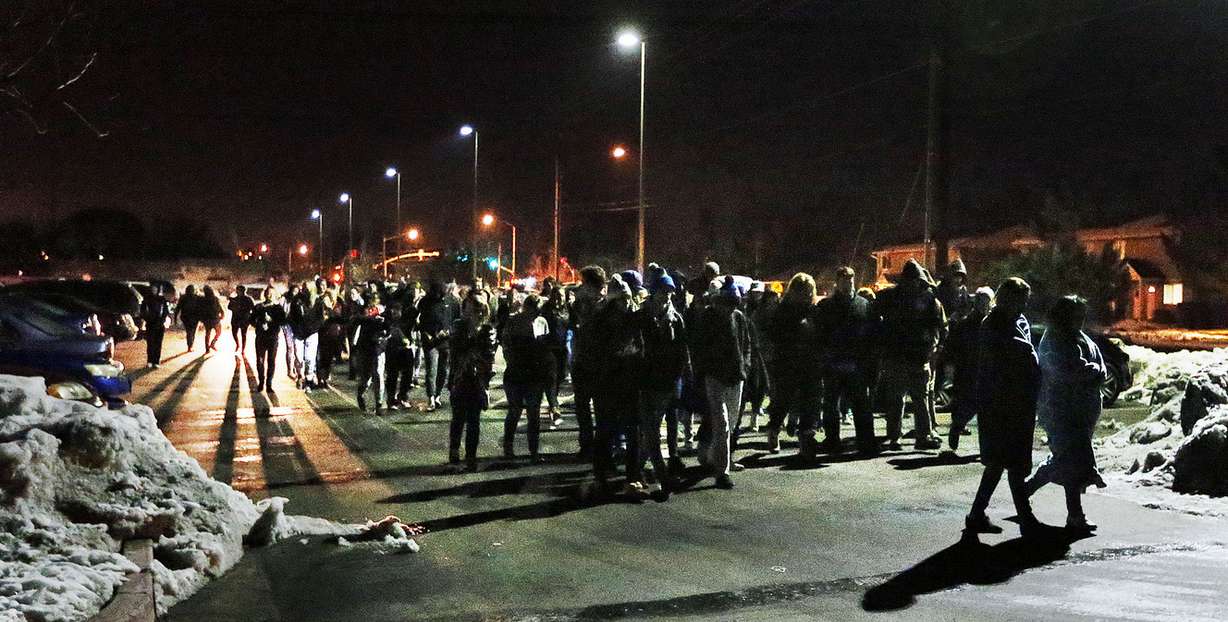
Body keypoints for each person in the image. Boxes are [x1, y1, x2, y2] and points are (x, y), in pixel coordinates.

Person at [966, 277, 1043, 537]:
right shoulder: (994, 325)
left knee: (1005, 463)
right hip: (1002, 405)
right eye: (1020, 300)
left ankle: (979, 514)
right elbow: (1007, 358)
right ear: (1007, 298)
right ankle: (1025, 517)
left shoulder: (1013, 322)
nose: (1023, 306)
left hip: (1014, 404)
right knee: (1008, 462)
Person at [1025, 295, 1108, 532]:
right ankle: (1075, 515)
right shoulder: (1055, 340)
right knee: (1073, 461)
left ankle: (1026, 489)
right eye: (1076, 315)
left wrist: (1096, 371)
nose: (1081, 320)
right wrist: (1094, 372)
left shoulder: (1078, 337)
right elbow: (1067, 370)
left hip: (1082, 410)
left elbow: (1097, 365)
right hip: (1061, 410)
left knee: (1065, 459)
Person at [874, 258, 945, 451]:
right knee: (901, 400)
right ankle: (899, 437)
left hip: (915, 356)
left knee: (916, 399)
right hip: (900, 356)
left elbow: (938, 326)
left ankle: (918, 436)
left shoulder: (927, 300)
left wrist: (934, 346)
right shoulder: (893, 297)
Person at [691, 276, 752, 489]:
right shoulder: (707, 318)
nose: (729, 307)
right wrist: (704, 371)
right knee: (722, 424)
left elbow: (746, 345)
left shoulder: (740, 318)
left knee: (731, 423)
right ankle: (722, 472)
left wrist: (745, 366)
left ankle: (711, 455)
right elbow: (699, 347)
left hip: (736, 376)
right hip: (715, 376)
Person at [812, 267, 880, 456]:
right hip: (833, 363)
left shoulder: (863, 305)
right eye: (844, 280)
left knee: (861, 405)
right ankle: (832, 440)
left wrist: (869, 361)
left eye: (850, 280)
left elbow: (872, 334)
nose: (848, 283)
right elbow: (819, 335)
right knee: (831, 406)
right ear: (838, 282)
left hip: (857, 364)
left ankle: (865, 441)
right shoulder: (826, 306)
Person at [590, 274, 646, 496]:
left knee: (633, 432)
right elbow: (594, 353)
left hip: (630, 383)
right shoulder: (601, 323)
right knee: (605, 431)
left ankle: (632, 477)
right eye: (621, 300)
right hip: (608, 383)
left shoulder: (633, 321)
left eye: (626, 300)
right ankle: (600, 476)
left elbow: (641, 346)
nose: (624, 304)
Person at [637, 272, 688, 497]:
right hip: (645, 380)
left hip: (666, 382)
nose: (667, 296)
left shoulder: (675, 318)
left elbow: (682, 352)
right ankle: (662, 475)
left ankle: (637, 469)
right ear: (654, 292)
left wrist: (680, 377)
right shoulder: (640, 317)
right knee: (651, 430)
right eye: (663, 292)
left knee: (651, 429)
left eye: (670, 293)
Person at [763, 273, 820, 454]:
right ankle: (774, 430)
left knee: (809, 401)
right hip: (787, 362)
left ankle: (805, 437)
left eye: (810, 291)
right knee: (783, 400)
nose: (807, 294)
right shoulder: (783, 310)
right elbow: (774, 334)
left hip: (809, 362)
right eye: (804, 291)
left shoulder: (813, 310)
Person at [447, 289, 498, 471]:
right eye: (473, 304)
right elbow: (455, 349)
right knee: (458, 417)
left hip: (478, 380)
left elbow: (489, 355)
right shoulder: (459, 326)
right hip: (460, 377)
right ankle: (454, 450)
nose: (477, 309)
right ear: (466, 306)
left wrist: (485, 381)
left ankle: (471, 456)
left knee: (474, 420)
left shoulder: (488, 329)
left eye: (480, 305)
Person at [501, 294, 553, 461]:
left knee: (534, 413)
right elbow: (506, 346)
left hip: (534, 373)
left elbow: (545, 348)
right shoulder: (514, 322)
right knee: (515, 411)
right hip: (517, 372)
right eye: (535, 309)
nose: (537, 313)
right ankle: (508, 448)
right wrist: (513, 362)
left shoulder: (542, 322)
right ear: (528, 307)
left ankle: (534, 451)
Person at [943, 287, 995, 453]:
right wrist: (950, 366)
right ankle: (957, 427)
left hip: (986, 372)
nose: (984, 305)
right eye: (981, 301)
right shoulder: (966, 324)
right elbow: (952, 347)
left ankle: (985, 448)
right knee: (968, 405)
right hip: (969, 372)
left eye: (986, 301)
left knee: (986, 412)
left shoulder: (993, 324)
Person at [568, 266, 607, 460]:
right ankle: (587, 445)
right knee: (583, 407)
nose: (580, 287)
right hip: (582, 361)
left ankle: (599, 448)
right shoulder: (579, 305)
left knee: (600, 409)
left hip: (598, 363)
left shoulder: (605, 307)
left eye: (583, 283)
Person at [418, 281, 454, 411]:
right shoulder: (425, 302)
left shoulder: (452, 302)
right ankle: (431, 397)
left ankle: (438, 394)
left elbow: (455, 320)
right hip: (431, 341)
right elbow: (420, 320)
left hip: (445, 341)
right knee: (431, 370)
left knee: (443, 370)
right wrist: (426, 333)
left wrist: (449, 331)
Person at [353, 296, 390, 412]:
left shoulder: (383, 313)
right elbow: (357, 319)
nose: (372, 306)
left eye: (374, 303)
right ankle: (361, 394)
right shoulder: (363, 313)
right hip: (365, 347)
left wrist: (384, 333)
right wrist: (371, 318)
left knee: (378, 375)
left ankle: (379, 403)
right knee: (366, 378)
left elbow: (389, 326)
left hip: (378, 348)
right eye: (370, 304)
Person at [542, 285, 570, 425]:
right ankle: (554, 407)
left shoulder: (567, 309)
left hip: (563, 349)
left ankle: (553, 401)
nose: (559, 298)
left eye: (561, 295)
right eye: (557, 295)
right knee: (551, 378)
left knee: (561, 376)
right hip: (549, 349)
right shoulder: (546, 310)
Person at [250, 287, 286, 392]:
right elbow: (251, 320)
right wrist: (259, 325)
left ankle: (269, 384)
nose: (269, 295)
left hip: (273, 338)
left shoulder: (277, 308)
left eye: (271, 293)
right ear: (264, 294)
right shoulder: (259, 307)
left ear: (274, 295)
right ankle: (261, 381)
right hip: (261, 337)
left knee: (271, 361)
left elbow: (283, 321)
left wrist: (272, 320)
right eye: (267, 293)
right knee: (260, 361)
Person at [288, 287, 324, 390]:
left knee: (309, 358)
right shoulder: (297, 301)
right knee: (299, 357)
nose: (306, 291)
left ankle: (309, 380)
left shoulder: (318, 302)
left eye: (308, 289)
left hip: (311, 333)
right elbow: (291, 317)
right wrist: (295, 328)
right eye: (305, 289)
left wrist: (313, 328)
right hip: (299, 333)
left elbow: (321, 319)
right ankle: (300, 375)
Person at [383, 303, 415, 409]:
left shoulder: (407, 321)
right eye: (393, 311)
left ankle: (403, 396)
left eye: (396, 311)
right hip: (393, 350)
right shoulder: (387, 320)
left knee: (408, 375)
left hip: (406, 350)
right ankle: (391, 399)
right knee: (392, 376)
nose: (394, 313)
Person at [316, 292, 346, 389]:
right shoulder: (319, 310)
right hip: (322, 337)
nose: (326, 302)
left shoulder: (334, 310)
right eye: (324, 300)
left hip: (333, 337)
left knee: (328, 360)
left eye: (328, 300)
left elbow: (339, 319)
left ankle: (325, 379)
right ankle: (320, 378)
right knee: (321, 359)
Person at [139, 283, 172, 367]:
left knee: (158, 343)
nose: (154, 291)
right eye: (152, 289)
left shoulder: (161, 300)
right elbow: (143, 311)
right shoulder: (147, 299)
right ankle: (150, 360)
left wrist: (162, 320)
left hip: (160, 324)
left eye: (155, 289)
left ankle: (156, 361)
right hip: (150, 324)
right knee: (150, 343)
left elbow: (165, 311)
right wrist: (147, 318)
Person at [280, 283, 301, 381]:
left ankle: (298, 370)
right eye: (294, 291)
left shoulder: (300, 301)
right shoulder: (285, 300)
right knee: (290, 348)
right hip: (287, 326)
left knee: (297, 349)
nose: (295, 293)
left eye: (297, 292)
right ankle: (290, 370)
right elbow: (281, 311)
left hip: (297, 326)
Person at [228, 285, 255, 355]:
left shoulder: (248, 299)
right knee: (234, 333)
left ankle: (243, 349)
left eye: (238, 290)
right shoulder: (234, 299)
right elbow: (229, 307)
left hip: (244, 319)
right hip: (235, 319)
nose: (237, 292)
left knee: (243, 335)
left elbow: (253, 309)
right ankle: (238, 344)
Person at [176, 284, 202, 351]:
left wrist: (176, 317)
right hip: (195, 317)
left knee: (189, 331)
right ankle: (191, 345)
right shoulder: (197, 297)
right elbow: (201, 308)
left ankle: (190, 346)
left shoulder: (183, 297)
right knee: (193, 332)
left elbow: (178, 308)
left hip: (186, 317)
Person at [200, 285, 225, 353]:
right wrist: (222, 314)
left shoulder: (203, 299)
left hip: (208, 319)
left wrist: (202, 319)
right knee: (218, 332)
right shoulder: (214, 298)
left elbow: (201, 310)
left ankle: (207, 348)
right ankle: (212, 344)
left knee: (208, 333)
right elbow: (219, 307)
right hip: (215, 319)